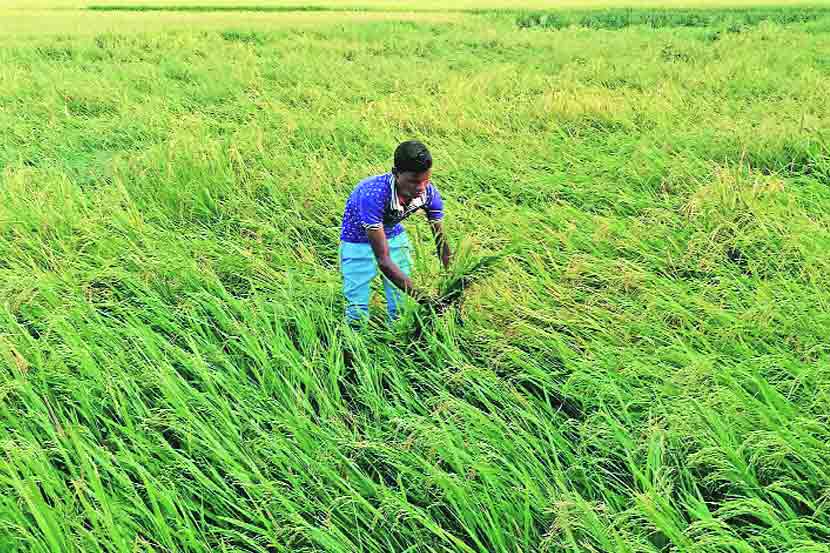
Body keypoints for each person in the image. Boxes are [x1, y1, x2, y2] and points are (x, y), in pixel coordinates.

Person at [339, 140, 451, 325]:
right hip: (357, 242)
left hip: (392, 234)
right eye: (414, 181)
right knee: (357, 311)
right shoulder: (372, 195)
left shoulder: (429, 193)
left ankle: (397, 343)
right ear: (396, 173)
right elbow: (384, 261)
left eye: (426, 180)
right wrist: (425, 300)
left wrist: (455, 279)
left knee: (400, 306)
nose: (421, 187)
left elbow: (441, 243)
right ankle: (353, 348)